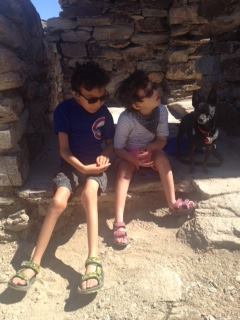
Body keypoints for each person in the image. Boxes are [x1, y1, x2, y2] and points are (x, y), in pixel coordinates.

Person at [8, 62, 115, 294]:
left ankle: (93, 259)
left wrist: (103, 159)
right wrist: (81, 169)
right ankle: (34, 261)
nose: (99, 103)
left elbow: (109, 145)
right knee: (58, 202)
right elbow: (64, 151)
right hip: (71, 166)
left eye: (103, 97)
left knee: (89, 195)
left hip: (95, 167)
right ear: (76, 94)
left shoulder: (104, 113)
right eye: (93, 99)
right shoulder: (64, 111)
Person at [113, 70, 196, 247]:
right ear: (136, 105)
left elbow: (162, 140)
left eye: (154, 88)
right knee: (123, 172)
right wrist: (134, 160)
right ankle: (119, 220)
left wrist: (151, 149)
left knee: (163, 159)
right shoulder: (126, 119)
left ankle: (172, 202)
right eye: (149, 93)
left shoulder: (161, 111)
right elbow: (118, 148)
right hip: (129, 154)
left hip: (151, 151)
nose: (156, 93)